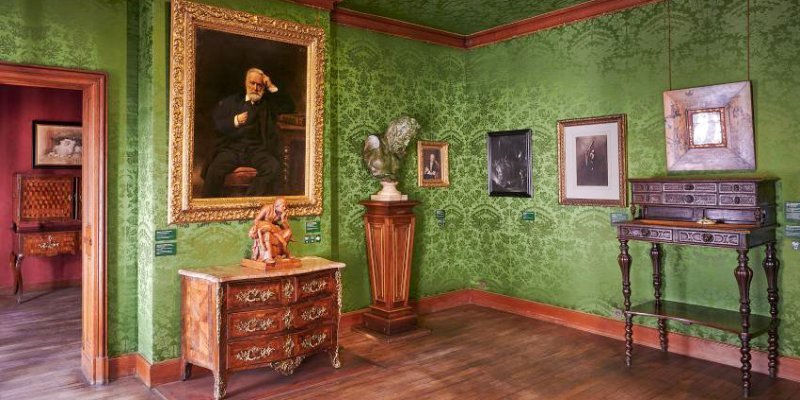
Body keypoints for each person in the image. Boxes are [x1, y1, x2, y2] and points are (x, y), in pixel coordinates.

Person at [202, 67, 294, 197]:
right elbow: (217, 123)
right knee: (214, 169)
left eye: (260, 85)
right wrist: (235, 120)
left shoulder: (267, 104)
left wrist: (271, 85)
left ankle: (249, 201)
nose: (255, 88)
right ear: (246, 83)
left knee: (273, 167)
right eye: (252, 83)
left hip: (256, 150)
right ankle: (208, 208)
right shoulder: (232, 101)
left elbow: (290, 106)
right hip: (232, 150)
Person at [249, 198, 293, 263]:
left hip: (275, 230)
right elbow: (256, 220)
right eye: (283, 206)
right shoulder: (267, 208)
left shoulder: (282, 213)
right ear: (276, 205)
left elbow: (286, 229)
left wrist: (283, 221)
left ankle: (280, 253)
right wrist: (269, 226)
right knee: (268, 233)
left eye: (285, 206)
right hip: (265, 228)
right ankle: (268, 257)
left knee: (288, 232)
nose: (285, 208)